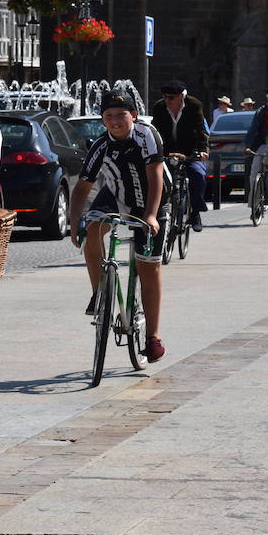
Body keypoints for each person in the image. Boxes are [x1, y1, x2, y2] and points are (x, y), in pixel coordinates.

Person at [69, 91, 167, 363]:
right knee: (93, 229)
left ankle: (153, 337)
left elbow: (155, 175)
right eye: (108, 116)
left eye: (121, 115)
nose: (115, 121)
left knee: (148, 266)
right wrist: (75, 222)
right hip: (117, 195)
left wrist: (150, 216)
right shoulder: (101, 145)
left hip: (153, 201)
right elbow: (82, 188)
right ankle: (99, 294)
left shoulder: (146, 135)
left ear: (133, 115)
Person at [151, 80, 210, 232]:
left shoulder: (194, 105)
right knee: (157, 178)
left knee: (197, 174)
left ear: (181, 97)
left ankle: (195, 212)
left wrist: (202, 150)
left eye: (171, 97)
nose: (167, 100)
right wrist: (156, 152)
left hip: (190, 151)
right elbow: (155, 132)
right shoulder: (159, 107)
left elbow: (201, 130)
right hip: (167, 152)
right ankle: (156, 212)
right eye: (165, 97)